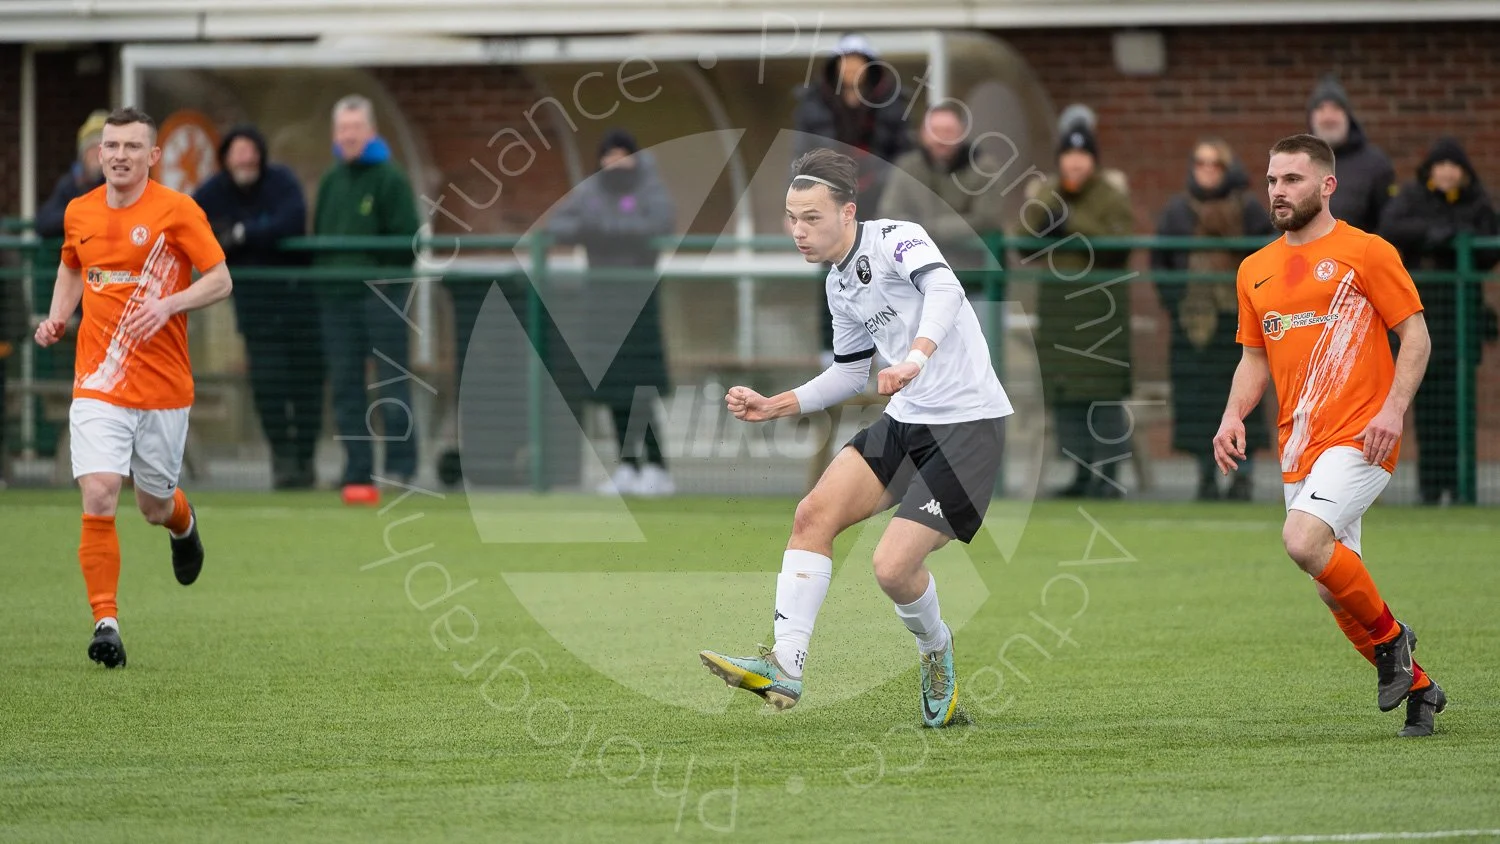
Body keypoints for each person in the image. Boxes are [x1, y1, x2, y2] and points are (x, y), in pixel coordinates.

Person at [699, 149, 1013, 728]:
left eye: (811, 217)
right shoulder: (837, 283)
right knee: (812, 516)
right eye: (792, 218)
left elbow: (946, 291)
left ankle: (936, 652)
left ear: (847, 213)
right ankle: (784, 665)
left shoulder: (897, 238)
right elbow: (849, 373)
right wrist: (775, 405)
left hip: (968, 426)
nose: (798, 230)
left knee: (892, 568)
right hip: (906, 420)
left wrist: (915, 359)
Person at [1215, 133, 1445, 737]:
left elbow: (1417, 338)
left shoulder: (1366, 252)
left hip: (1363, 437)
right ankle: (1420, 689)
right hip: (1300, 447)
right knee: (1332, 590)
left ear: (1327, 185)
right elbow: (1254, 359)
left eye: (1292, 179)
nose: (1278, 191)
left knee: (1301, 540)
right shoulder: (1254, 269)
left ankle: (1394, 641)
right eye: (1272, 180)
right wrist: (1232, 415)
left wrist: (1393, 411)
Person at [33, 107, 233, 668]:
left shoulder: (177, 210)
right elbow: (72, 266)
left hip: (163, 388)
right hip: (97, 382)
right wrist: (57, 317)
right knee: (99, 490)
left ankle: (184, 525)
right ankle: (106, 623)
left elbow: (220, 279)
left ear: (153, 156)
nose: (119, 155)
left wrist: (170, 304)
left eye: (131, 146)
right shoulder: (79, 211)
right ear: (99, 154)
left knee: (152, 505)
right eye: (111, 146)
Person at [546, 128, 678, 496]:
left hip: (639, 302)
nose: (614, 164)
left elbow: (659, 223)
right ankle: (627, 465)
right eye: (608, 157)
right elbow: (559, 224)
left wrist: (604, 231)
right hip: (601, 304)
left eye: (622, 156)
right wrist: (598, 230)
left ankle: (657, 466)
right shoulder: (591, 190)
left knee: (640, 388)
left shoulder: (648, 187)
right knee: (613, 387)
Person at [193, 125, 323, 490]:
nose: (244, 159)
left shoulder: (281, 181)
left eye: (250, 151)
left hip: (300, 305)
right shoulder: (214, 191)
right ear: (226, 158)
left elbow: (292, 221)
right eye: (237, 152)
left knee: (308, 385)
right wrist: (232, 237)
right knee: (269, 386)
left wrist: (242, 234)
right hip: (256, 310)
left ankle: (306, 460)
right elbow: (195, 223)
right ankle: (283, 460)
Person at [1378, 136, 1500, 505]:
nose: (1447, 172)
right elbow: (1391, 228)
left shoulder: (1476, 202)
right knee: (1426, 405)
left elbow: (1489, 244)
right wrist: (1435, 236)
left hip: (1460, 320)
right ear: (1430, 170)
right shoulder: (1412, 198)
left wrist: (1461, 237)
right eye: (1441, 164)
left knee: (1459, 405)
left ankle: (1460, 486)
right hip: (1422, 315)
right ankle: (1430, 486)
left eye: (1454, 165)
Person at [1153, 139, 1276, 501]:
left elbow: (1268, 252)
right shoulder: (1177, 210)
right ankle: (1205, 475)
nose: (1207, 170)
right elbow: (1160, 261)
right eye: (1200, 163)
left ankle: (1243, 477)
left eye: (1215, 164)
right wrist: (1175, 301)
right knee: (1197, 402)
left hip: (1237, 321)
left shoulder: (1248, 208)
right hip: (1192, 324)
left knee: (1244, 398)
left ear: (1227, 169)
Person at [312, 95, 421, 504]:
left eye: (355, 128)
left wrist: (381, 279)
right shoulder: (330, 181)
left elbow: (407, 239)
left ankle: (401, 467)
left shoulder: (391, 179)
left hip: (382, 298)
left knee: (392, 382)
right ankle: (357, 469)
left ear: (370, 130)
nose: (349, 135)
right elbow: (320, 236)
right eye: (343, 128)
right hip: (336, 301)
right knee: (345, 387)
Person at [1021, 124, 1136, 498]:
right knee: (1065, 393)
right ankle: (1081, 473)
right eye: (1068, 155)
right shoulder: (1048, 192)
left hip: (1100, 312)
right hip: (1059, 309)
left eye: (1082, 155)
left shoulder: (1110, 195)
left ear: (1093, 160)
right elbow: (1023, 241)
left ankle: (1110, 474)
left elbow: (1120, 242)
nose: (1075, 163)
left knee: (1103, 393)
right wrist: (1039, 218)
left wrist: (1070, 222)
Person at [877, 103, 1006, 282]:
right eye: (935, 131)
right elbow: (889, 215)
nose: (941, 138)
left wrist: (927, 229)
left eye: (948, 131)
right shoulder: (906, 167)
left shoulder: (985, 168)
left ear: (962, 134)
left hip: (972, 276)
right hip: (915, 275)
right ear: (922, 134)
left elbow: (986, 220)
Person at [1306, 74, 1396, 233]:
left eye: (1336, 108)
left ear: (1348, 116)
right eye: (1321, 109)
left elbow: (1388, 222)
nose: (1328, 117)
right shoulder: (1299, 160)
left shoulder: (1375, 163)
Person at [34, 110, 109, 239]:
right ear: (82, 154)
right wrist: (77, 215)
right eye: (92, 147)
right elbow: (43, 222)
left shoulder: (118, 184)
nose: (97, 153)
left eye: (103, 147)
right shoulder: (71, 183)